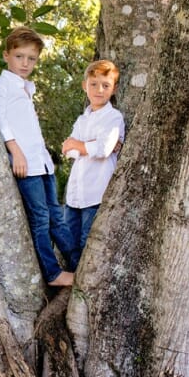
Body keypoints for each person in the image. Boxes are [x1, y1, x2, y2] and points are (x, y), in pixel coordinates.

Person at [0, 27, 74, 287]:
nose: (25, 63)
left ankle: (78, 264)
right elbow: (2, 122)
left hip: (43, 162)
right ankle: (52, 273)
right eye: (19, 56)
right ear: (6, 56)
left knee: (56, 216)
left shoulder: (27, 87)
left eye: (31, 58)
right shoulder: (1, 86)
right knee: (39, 218)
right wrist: (16, 153)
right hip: (25, 163)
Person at [60, 59, 125, 270]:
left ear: (113, 89)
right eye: (94, 84)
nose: (99, 90)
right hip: (75, 194)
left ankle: (83, 285)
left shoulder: (113, 117)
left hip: (96, 193)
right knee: (68, 242)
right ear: (85, 85)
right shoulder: (82, 119)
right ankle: (72, 278)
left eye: (106, 85)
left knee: (87, 242)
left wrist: (80, 145)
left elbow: (104, 149)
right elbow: (68, 150)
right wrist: (85, 146)